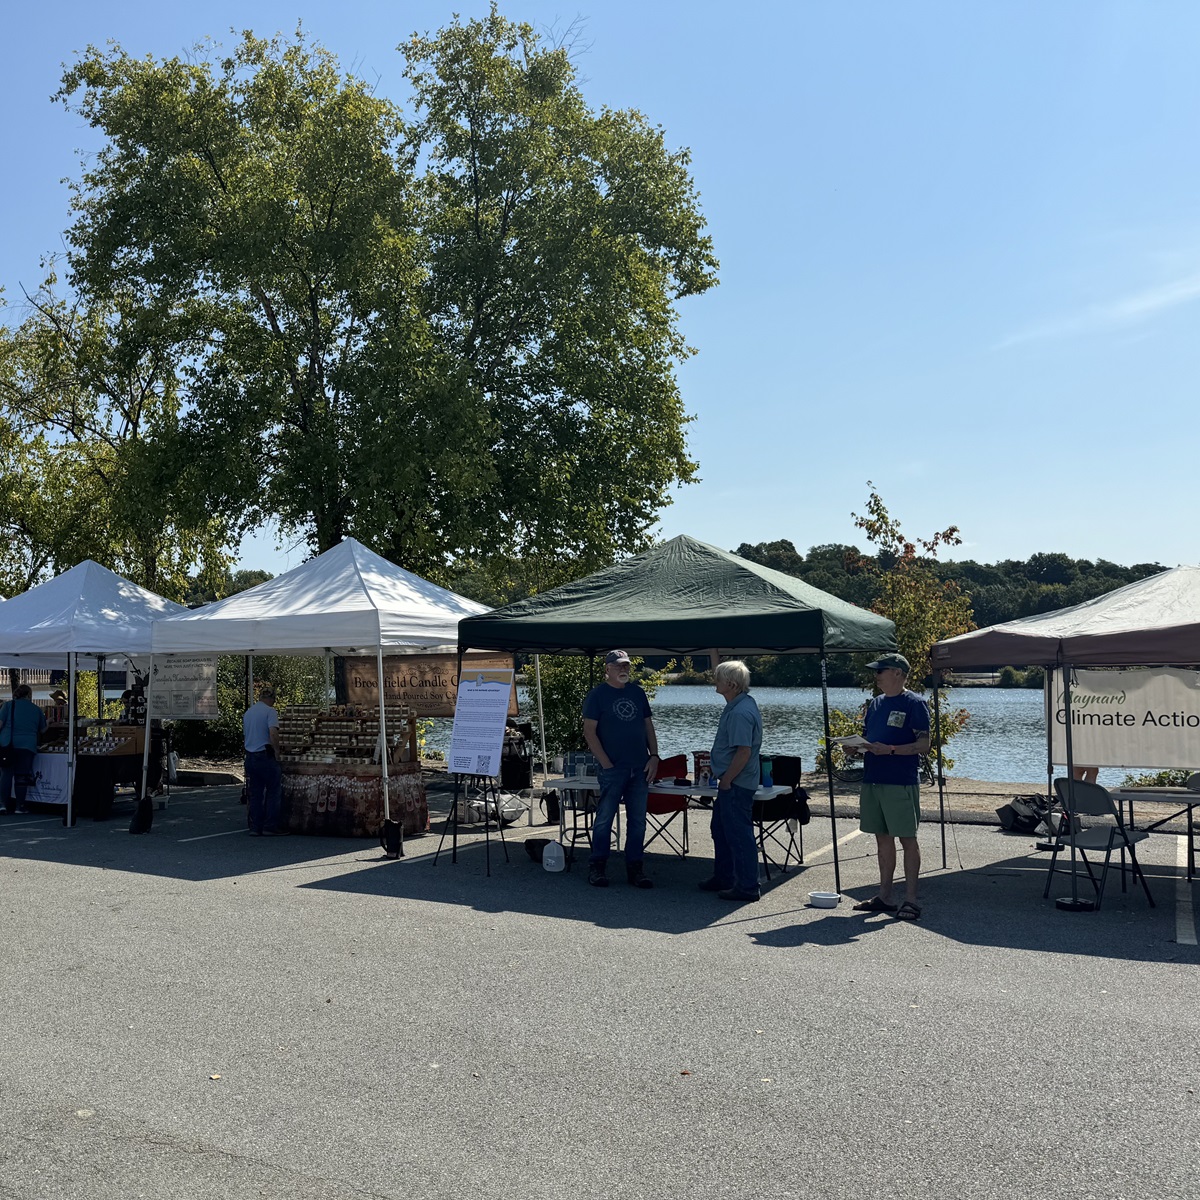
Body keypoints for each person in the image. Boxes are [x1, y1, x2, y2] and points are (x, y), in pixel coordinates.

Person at [851, 653, 930, 921]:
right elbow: (871, 739)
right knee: (882, 838)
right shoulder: (875, 704)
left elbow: (924, 745)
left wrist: (892, 750)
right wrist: (855, 747)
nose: (876, 675)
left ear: (897, 672)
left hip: (900, 781)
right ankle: (885, 897)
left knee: (907, 839)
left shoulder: (915, 703)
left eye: (880, 671)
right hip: (873, 779)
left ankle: (911, 900)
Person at [581, 650, 659, 888]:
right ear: (607, 669)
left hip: (640, 768)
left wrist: (654, 756)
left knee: (638, 821)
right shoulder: (597, 696)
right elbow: (589, 732)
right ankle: (598, 867)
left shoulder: (637, 693)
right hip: (613, 769)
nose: (623, 670)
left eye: (625, 666)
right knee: (604, 819)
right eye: (617, 666)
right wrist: (605, 762)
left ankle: (635, 869)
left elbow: (648, 726)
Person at [699, 660, 763, 902]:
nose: (714, 681)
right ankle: (724, 876)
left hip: (736, 783)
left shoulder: (740, 712)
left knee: (738, 834)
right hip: (735, 782)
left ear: (732, 684)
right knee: (721, 830)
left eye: (719, 678)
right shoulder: (739, 704)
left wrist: (726, 780)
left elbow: (743, 751)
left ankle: (747, 886)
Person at [243, 685, 285, 836]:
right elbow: (273, 733)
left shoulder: (249, 712)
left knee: (256, 793)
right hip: (264, 755)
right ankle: (270, 826)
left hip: (250, 755)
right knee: (273, 791)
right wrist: (277, 752)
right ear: (271, 699)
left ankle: (255, 827)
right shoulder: (270, 711)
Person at [0, 685, 48, 814]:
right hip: (27, 745)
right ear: (29, 695)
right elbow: (43, 729)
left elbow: (0, 723)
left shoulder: (8, 705)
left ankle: (3, 805)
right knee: (22, 776)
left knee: (6, 775)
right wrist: (48, 722)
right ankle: (19, 806)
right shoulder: (36, 709)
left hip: (8, 744)